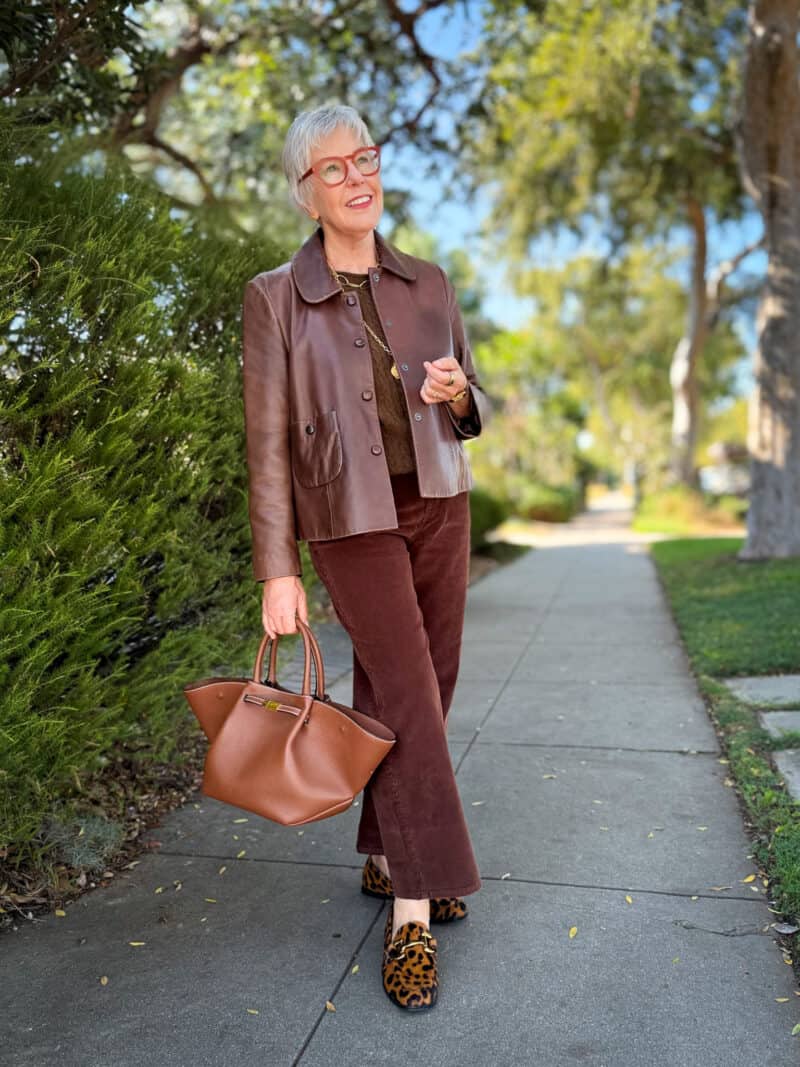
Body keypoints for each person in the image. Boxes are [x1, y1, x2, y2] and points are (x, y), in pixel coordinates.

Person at [241, 103, 493, 1012]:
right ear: (307, 192)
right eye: (335, 169)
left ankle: (387, 857)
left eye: (367, 160)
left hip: (440, 502)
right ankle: (417, 914)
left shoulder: (429, 281)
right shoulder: (275, 295)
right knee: (413, 701)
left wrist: (459, 392)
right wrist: (279, 567)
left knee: (418, 690)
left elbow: (472, 408)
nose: (358, 179)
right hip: (349, 519)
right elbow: (266, 442)